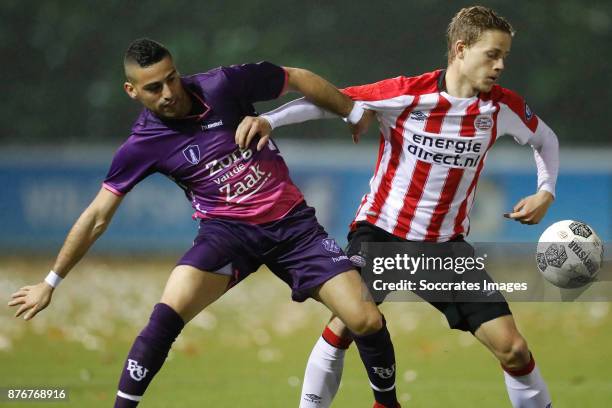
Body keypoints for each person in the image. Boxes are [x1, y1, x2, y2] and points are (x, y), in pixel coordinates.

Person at [7, 38, 402, 408]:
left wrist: (350, 111)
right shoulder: (142, 144)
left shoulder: (223, 85)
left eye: (171, 79)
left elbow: (295, 77)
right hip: (227, 235)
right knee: (167, 313)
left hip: (294, 228)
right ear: (132, 92)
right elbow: (96, 216)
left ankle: (387, 403)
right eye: (153, 88)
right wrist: (50, 282)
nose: (168, 93)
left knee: (365, 318)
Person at [236, 6, 557, 408]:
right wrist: (271, 121)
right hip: (381, 233)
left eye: (504, 56)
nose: (501, 65)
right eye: (492, 54)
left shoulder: (502, 108)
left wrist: (546, 191)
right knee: (347, 323)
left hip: (444, 247)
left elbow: (546, 140)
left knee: (513, 349)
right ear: (460, 49)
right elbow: (333, 102)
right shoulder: (408, 92)